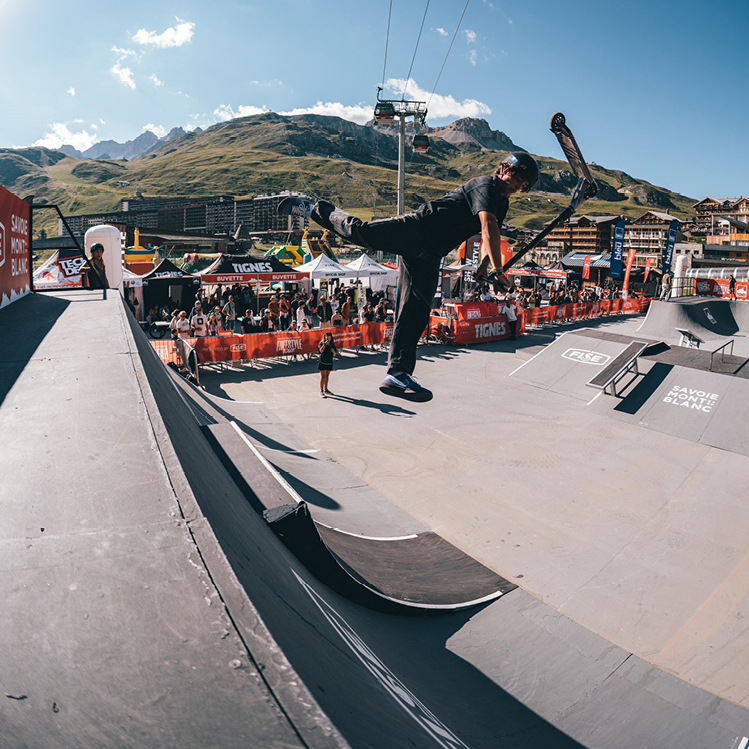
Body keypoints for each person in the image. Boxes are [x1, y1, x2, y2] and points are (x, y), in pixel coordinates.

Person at [279, 151, 538, 402]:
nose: (516, 186)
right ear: (504, 169)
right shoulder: (486, 186)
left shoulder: (501, 204)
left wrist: (484, 270)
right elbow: (487, 227)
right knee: (362, 233)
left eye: (523, 185)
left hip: (431, 254)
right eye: (516, 179)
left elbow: (488, 236)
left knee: (416, 310)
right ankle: (312, 208)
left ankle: (398, 373)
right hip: (417, 230)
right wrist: (499, 269)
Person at [317, 331, 337, 397]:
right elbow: (321, 351)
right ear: (325, 337)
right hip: (322, 361)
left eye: (329, 337)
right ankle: (321, 391)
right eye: (327, 337)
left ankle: (326, 389)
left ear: (331, 338)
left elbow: (335, 353)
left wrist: (333, 351)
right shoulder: (322, 343)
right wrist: (324, 344)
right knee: (322, 377)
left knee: (327, 376)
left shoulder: (332, 344)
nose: (328, 338)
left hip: (329, 362)